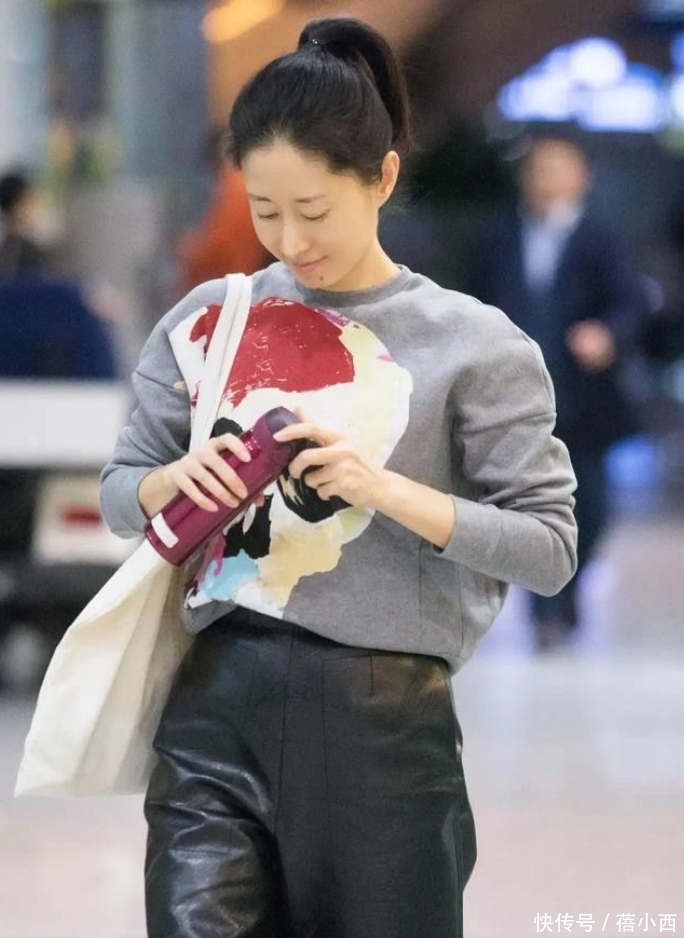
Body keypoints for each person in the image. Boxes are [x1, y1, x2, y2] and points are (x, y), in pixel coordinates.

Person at [99, 19, 577, 938]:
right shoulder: (210, 322)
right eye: (265, 209)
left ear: (382, 178)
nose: (289, 239)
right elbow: (123, 490)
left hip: (384, 729)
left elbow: (549, 548)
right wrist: (172, 483)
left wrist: (381, 488)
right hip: (213, 711)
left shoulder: (475, 344)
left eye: (313, 211)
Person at [467, 135, 645, 650]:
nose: (548, 180)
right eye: (540, 169)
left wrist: (607, 334)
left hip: (583, 398)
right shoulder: (498, 237)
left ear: (581, 177)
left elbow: (631, 303)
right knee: (528, 509)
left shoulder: (601, 238)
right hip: (517, 400)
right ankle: (545, 612)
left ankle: (567, 593)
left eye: (560, 169)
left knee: (593, 507)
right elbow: (471, 303)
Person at [0, 170, 48, 280]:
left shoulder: (6, 248)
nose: (34, 209)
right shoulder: (27, 251)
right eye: (29, 203)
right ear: (17, 206)